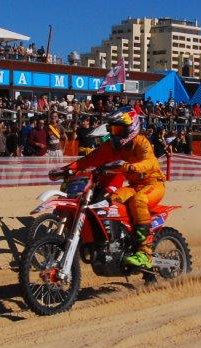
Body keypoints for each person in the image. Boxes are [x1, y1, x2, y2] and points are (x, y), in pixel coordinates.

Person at [53, 108, 166, 271]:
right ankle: (119, 242)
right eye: (112, 129)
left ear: (131, 127)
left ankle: (145, 253)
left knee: (138, 200)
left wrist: (131, 167)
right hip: (134, 187)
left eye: (119, 129)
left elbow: (149, 162)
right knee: (108, 203)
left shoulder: (141, 142)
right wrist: (66, 169)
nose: (115, 133)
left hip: (153, 184)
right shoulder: (113, 147)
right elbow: (89, 159)